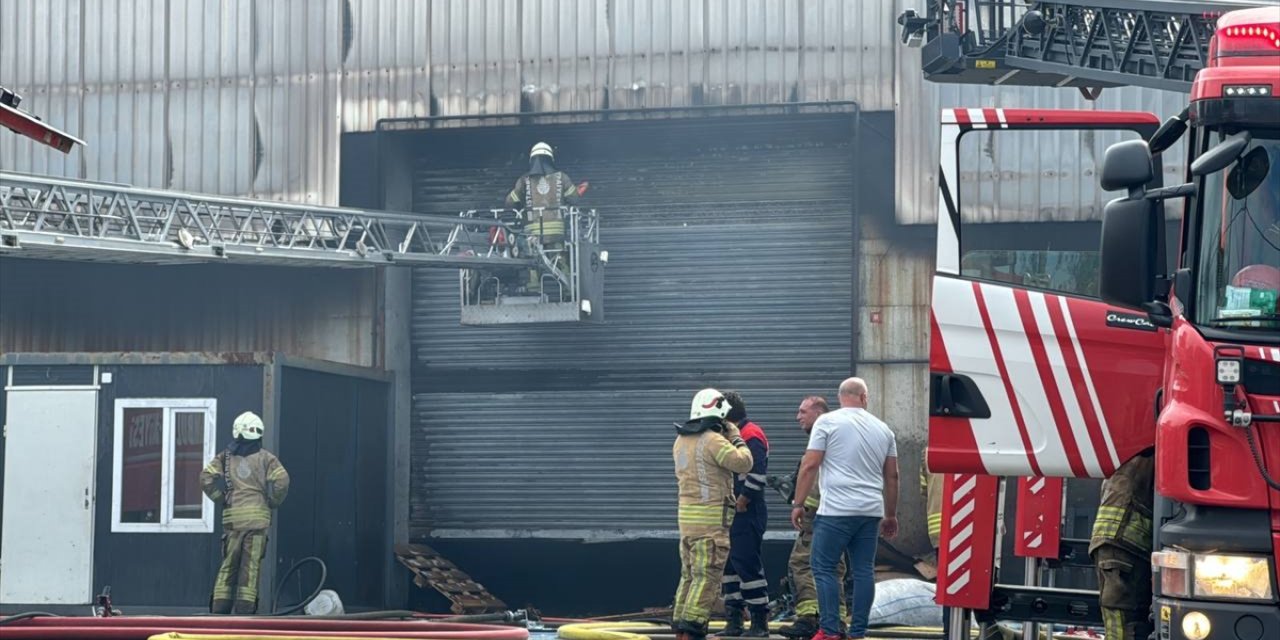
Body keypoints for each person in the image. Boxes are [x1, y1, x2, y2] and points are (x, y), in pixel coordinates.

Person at [790, 378, 899, 640]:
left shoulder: (827, 422)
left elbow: (810, 465)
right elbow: (893, 476)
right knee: (863, 571)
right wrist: (891, 515)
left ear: (841, 398)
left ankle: (829, 631)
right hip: (870, 511)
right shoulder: (884, 429)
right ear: (864, 398)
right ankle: (857, 632)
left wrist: (798, 503)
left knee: (823, 567)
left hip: (835, 511)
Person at [672, 388, 756, 640]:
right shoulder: (713, 440)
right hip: (710, 525)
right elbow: (744, 462)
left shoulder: (681, 441)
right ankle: (693, 629)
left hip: (688, 523)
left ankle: (680, 627)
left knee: (689, 576)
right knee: (706, 578)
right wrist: (736, 435)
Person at [200, 411, 290, 614]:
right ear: (258, 434)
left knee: (228, 564)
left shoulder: (224, 457)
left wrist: (221, 498)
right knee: (249, 569)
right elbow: (282, 481)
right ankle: (244, 613)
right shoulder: (267, 458)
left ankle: (219, 611)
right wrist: (273, 501)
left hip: (233, 521)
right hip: (258, 522)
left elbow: (206, 478)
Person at [778, 396, 848, 639]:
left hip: (818, 516)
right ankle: (834, 621)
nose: (798, 417)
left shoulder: (822, 439)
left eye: (802, 412)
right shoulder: (837, 438)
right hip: (834, 515)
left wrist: (801, 505)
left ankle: (810, 618)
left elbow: (813, 475)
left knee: (803, 563)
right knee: (831, 567)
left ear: (818, 413)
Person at [505, 142, 588, 296]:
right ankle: (570, 291)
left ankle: (535, 290)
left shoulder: (524, 180)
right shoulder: (562, 177)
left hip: (532, 234)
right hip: (556, 232)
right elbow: (574, 199)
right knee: (560, 260)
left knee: (532, 262)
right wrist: (579, 190)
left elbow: (509, 202)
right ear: (550, 159)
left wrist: (520, 199)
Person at [719, 391, 771, 638]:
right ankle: (734, 621)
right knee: (729, 566)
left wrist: (743, 499)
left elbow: (757, 472)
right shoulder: (730, 435)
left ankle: (760, 624)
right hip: (732, 511)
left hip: (747, 511)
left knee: (746, 563)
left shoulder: (750, 434)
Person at [1089, 450, 1155, 640]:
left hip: (1118, 543)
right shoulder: (1146, 451)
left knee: (1124, 619)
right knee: (1123, 624)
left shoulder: (1126, 452)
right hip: (1122, 544)